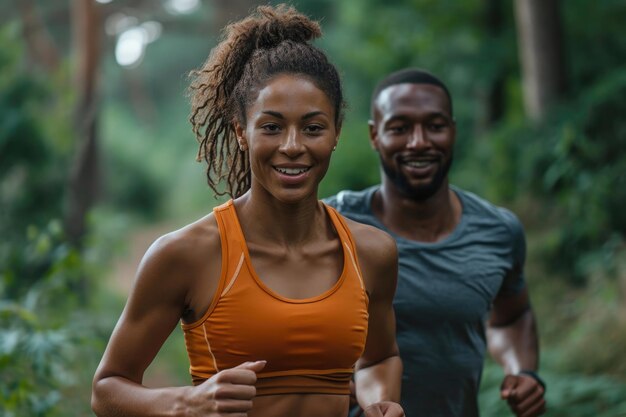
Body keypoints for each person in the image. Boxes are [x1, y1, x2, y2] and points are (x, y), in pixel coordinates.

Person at [91, 5, 404, 417]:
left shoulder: (372, 252)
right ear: (241, 131)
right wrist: (187, 401)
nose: (292, 146)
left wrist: (380, 401)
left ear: (336, 134)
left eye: (312, 128)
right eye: (271, 127)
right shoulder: (187, 254)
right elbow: (107, 389)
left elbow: (380, 359)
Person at [325, 68, 546, 417]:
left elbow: (511, 317)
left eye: (435, 126)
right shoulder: (331, 224)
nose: (419, 141)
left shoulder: (498, 231)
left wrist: (522, 372)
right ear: (374, 135)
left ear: (453, 131)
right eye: (399, 128)